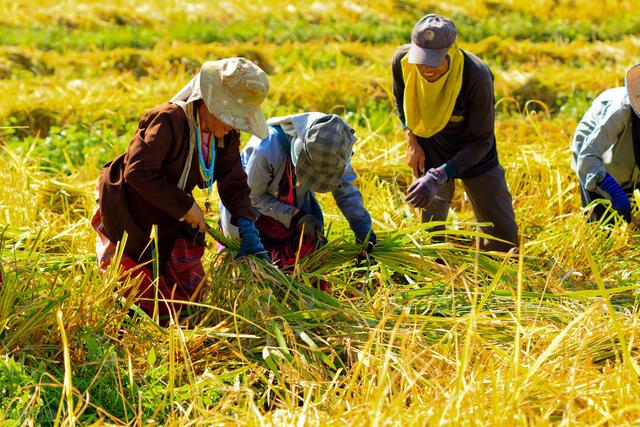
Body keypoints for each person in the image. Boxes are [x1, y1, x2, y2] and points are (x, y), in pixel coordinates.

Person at [92, 58, 271, 324]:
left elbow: (233, 180)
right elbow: (138, 171)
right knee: (136, 292)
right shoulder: (168, 119)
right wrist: (186, 206)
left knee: (188, 297)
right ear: (209, 102)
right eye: (229, 115)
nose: (233, 125)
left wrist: (246, 224)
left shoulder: (225, 134)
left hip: (167, 207)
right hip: (129, 204)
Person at [392, 14, 519, 252]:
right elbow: (401, 99)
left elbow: (481, 141)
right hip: (430, 148)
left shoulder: (476, 76)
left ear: (451, 50)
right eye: (421, 59)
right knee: (429, 231)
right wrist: (411, 139)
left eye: (434, 61)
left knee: (503, 239)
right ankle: (435, 274)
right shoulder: (403, 61)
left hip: (473, 153)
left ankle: (494, 273)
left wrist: (439, 175)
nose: (426, 68)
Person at [220, 113, 376, 277]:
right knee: (259, 271)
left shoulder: (336, 148)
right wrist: (295, 216)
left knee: (308, 265)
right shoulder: (266, 149)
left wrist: (364, 233)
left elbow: (347, 193)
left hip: (290, 209)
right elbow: (253, 198)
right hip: (253, 216)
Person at [571, 65, 640, 224]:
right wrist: (614, 191)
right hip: (597, 165)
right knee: (603, 227)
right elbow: (588, 157)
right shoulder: (619, 111)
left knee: (629, 221)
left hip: (632, 170)